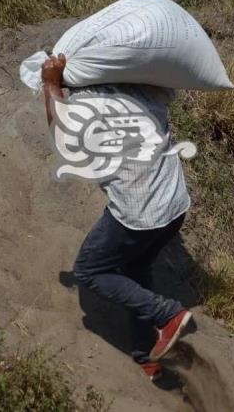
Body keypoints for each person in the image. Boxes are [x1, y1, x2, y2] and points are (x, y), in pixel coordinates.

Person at [41, 53, 193, 382]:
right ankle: (147, 355)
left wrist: (52, 82)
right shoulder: (149, 89)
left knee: (90, 269)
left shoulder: (93, 100)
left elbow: (63, 132)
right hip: (174, 205)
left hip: (137, 214)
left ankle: (167, 315)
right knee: (137, 268)